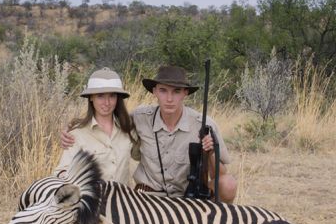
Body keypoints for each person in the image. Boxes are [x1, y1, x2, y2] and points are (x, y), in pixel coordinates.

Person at [62, 64, 237, 202]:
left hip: (187, 196)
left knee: (228, 185)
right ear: (154, 92)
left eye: (176, 92)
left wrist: (211, 151)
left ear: (185, 93)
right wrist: (72, 128)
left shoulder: (204, 124)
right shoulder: (139, 118)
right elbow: (106, 119)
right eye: (163, 91)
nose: (169, 99)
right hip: (148, 198)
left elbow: (219, 176)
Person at [53, 68, 139, 186]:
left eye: (112, 96)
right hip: (93, 203)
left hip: (124, 202)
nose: (107, 102)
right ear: (91, 97)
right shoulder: (77, 134)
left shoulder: (129, 129)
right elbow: (61, 171)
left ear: (117, 98)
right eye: (100, 96)